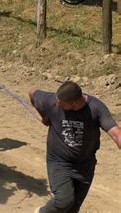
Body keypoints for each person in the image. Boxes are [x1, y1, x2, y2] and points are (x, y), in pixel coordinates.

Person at [29, 81, 120, 213]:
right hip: (59, 161)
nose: (57, 104)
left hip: (85, 166)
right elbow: (32, 92)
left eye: (61, 104)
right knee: (64, 201)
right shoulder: (52, 101)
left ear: (75, 103)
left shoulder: (96, 108)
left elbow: (116, 133)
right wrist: (44, 117)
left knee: (73, 208)